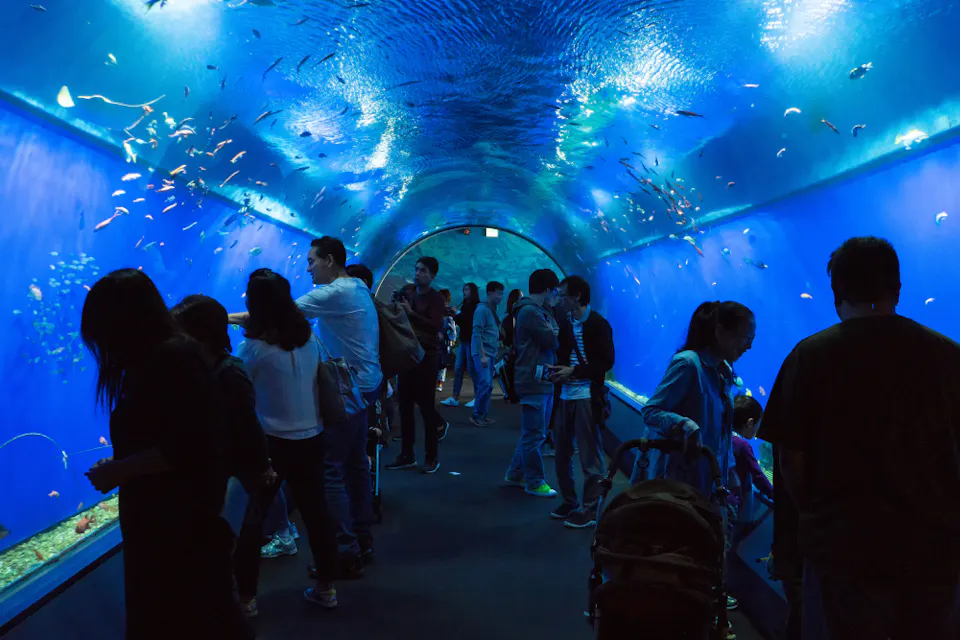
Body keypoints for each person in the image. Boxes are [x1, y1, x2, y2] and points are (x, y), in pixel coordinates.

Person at [758, 236, 960, 640]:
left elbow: (790, 457)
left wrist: (814, 515)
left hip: (843, 551)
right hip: (935, 549)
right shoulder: (949, 356)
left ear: (836, 293)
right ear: (898, 289)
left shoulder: (809, 356)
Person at [81, 269, 251, 639]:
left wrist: (121, 470)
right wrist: (122, 466)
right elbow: (163, 434)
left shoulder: (173, 358)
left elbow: (187, 444)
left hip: (178, 523)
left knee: (186, 617)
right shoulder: (157, 359)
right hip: (162, 519)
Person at [232, 269, 340, 610]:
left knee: (253, 522)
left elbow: (236, 388)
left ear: (255, 302)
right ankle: (327, 588)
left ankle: (247, 598)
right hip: (312, 439)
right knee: (316, 514)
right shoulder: (308, 338)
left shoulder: (254, 350)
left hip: (272, 446)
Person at [298, 237, 381, 575]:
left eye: (312, 261)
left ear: (329, 260)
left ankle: (343, 551)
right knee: (356, 466)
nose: (308, 268)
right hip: (366, 385)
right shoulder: (357, 287)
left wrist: (217, 316)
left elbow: (278, 312)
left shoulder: (335, 293)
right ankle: (362, 540)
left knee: (331, 470)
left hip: (347, 391)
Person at [630, 301, 755, 502]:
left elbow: (722, 433)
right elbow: (651, 411)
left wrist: (728, 471)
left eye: (752, 339)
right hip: (676, 481)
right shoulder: (688, 364)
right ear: (720, 331)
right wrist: (685, 425)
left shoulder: (724, 372)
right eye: (745, 338)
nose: (749, 346)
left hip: (703, 482)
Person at [548, 275, 615, 528]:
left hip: (586, 396)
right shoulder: (566, 324)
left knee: (590, 457)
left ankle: (590, 510)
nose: (560, 298)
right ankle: (569, 501)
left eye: (563, 294)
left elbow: (606, 362)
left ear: (577, 296)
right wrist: (556, 372)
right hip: (565, 395)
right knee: (561, 453)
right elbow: (564, 356)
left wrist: (573, 372)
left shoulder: (599, 325)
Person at [386, 257, 449, 473]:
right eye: (416, 269)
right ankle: (407, 453)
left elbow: (435, 326)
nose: (418, 273)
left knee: (426, 406)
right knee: (404, 405)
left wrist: (410, 313)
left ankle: (432, 456)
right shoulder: (409, 292)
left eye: (423, 270)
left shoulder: (436, 298)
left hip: (427, 357)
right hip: (407, 355)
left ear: (432, 275)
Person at [505, 269, 561, 498]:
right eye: (555, 290)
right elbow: (551, 339)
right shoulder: (530, 311)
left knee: (533, 431)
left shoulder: (537, 311)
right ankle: (535, 481)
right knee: (534, 434)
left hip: (540, 379)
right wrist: (555, 328)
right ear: (547, 289)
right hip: (532, 380)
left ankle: (515, 473)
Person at [729, 395, 773, 529]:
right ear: (749, 423)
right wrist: (774, 494)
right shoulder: (743, 446)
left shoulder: (725, 436)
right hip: (734, 503)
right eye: (758, 424)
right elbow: (757, 476)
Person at [470, 281, 505, 426]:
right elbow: (476, 334)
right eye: (498, 293)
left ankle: (483, 414)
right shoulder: (482, 310)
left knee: (489, 386)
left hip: (490, 353)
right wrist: (482, 355)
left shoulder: (492, 310)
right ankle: (476, 415)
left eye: (502, 294)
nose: (500, 297)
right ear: (490, 293)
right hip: (482, 353)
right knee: (484, 383)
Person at [442, 283, 480, 407]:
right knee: (458, 368)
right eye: (464, 289)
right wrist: (454, 315)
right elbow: (462, 323)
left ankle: (478, 397)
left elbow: (469, 323)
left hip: (470, 341)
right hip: (463, 340)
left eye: (467, 290)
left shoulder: (475, 306)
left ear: (473, 292)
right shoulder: (464, 306)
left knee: (471, 368)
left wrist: (457, 314)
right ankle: (455, 397)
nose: (464, 292)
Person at [500, 288, 523, 404]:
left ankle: (510, 393)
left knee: (509, 372)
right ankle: (514, 394)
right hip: (517, 351)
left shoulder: (506, 320)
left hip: (510, 351)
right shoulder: (520, 318)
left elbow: (504, 337)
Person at [437, 289, 457, 392]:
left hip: (444, 342)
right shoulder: (436, 310)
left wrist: (450, 339)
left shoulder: (448, 313)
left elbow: (452, 329)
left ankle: (439, 383)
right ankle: (437, 382)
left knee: (442, 362)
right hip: (436, 340)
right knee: (438, 362)